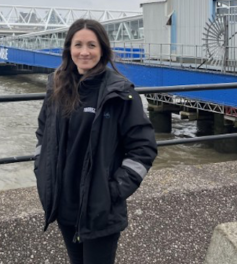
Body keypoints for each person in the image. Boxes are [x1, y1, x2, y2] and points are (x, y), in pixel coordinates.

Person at [33, 19, 157, 264]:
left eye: (92, 45)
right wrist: (42, 171)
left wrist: (112, 191)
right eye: (78, 44)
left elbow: (143, 148)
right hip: (64, 203)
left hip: (100, 209)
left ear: (102, 50)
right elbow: (42, 133)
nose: (84, 52)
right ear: (69, 49)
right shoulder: (56, 87)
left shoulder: (120, 92)